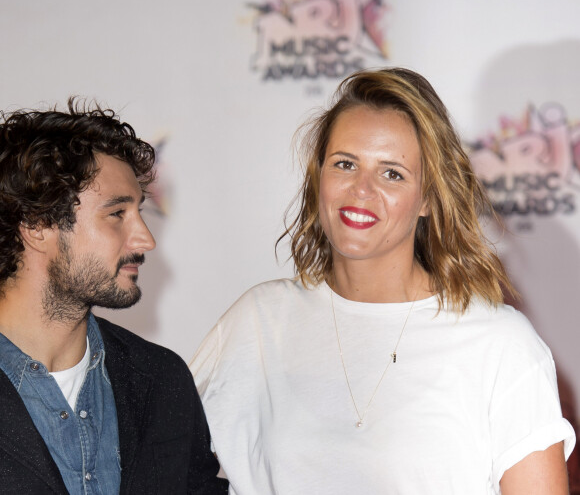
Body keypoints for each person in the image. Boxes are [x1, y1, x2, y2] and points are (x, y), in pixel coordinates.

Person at [191, 68, 576, 494]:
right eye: (344, 164)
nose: (361, 189)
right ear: (320, 176)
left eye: (392, 173)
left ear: (428, 197)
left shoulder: (501, 344)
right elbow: (152, 457)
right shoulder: (258, 322)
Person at [0, 99, 228, 494]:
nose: (146, 239)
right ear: (37, 225)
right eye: (117, 214)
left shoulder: (162, 380)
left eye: (140, 212)